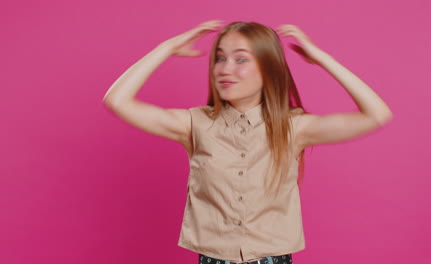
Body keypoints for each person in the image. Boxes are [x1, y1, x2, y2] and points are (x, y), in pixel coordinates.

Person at [103, 20, 392, 264]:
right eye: (219, 57)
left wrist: (322, 58)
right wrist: (165, 49)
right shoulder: (194, 124)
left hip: (274, 257)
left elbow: (376, 115)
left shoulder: (293, 127)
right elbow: (117, 101)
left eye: (241, 59)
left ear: (269, 69)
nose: (225, 69)